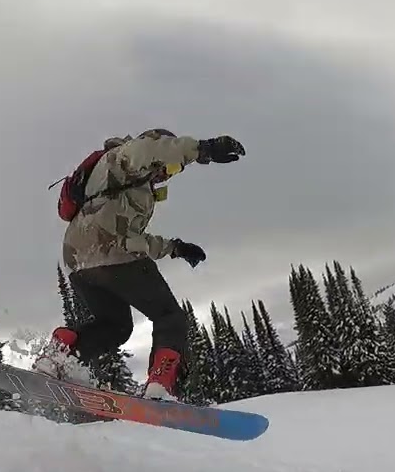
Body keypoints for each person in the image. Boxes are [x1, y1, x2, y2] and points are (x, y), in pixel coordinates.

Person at [33, 128, 246, 401]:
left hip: (80, 261)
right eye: (170, 167)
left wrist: (175, 248)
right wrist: (203, 150)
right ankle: (161, 385)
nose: (168, 174)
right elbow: (149, 149)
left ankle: (59, 355)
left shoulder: (113, 183)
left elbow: (131, 237)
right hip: (112, 255)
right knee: (170, 317)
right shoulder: (126, 157)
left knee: (116, 327)